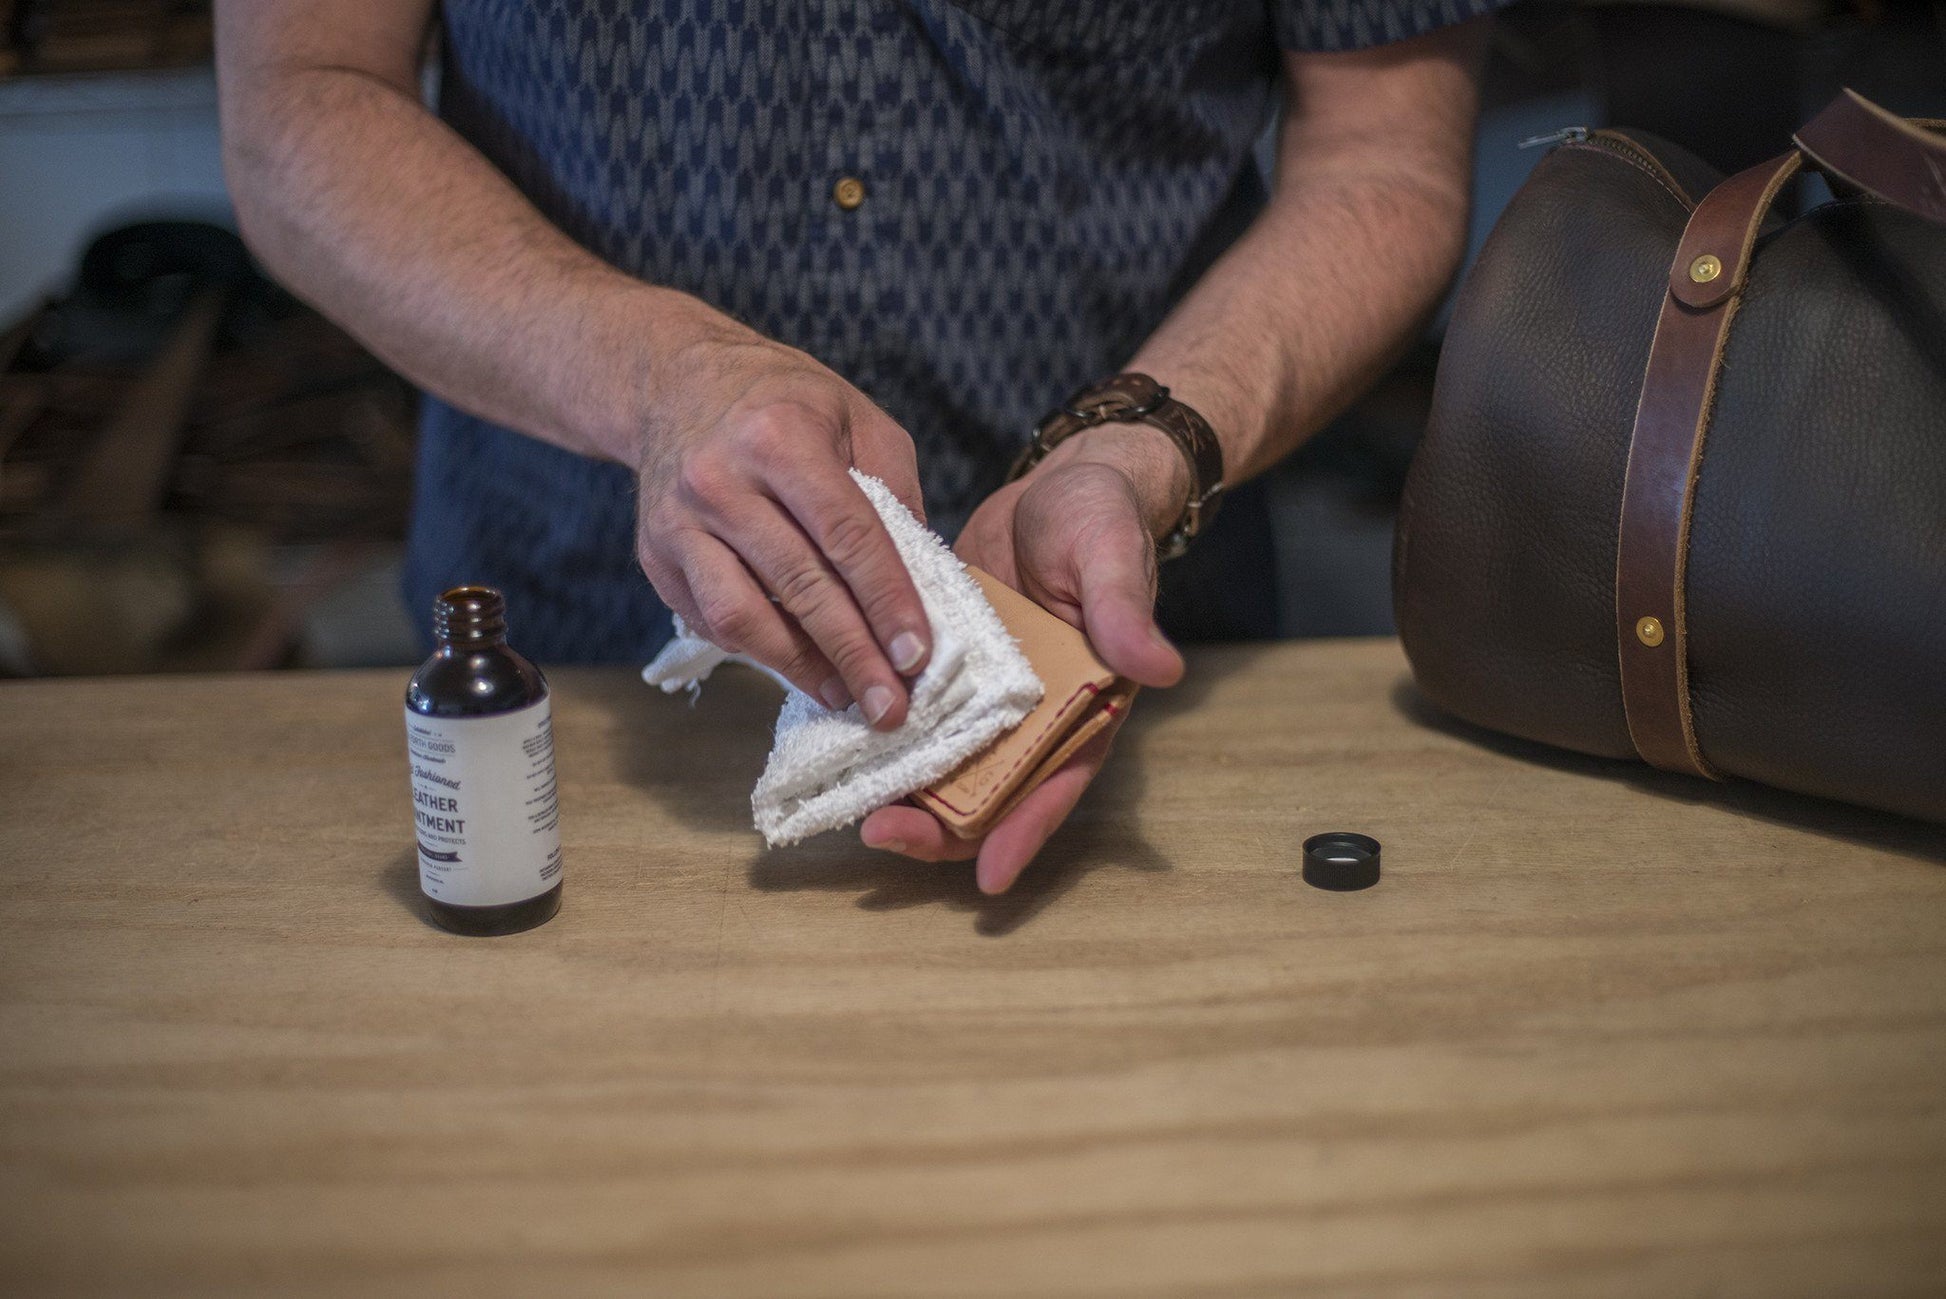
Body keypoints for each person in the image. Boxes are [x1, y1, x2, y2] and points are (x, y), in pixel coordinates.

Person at [215, 1, 1493, 894]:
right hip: (565, 680)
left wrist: (1140, 444)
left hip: (1127, 648)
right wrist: (652, 377)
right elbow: (299, 100)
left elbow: (1381, 160)